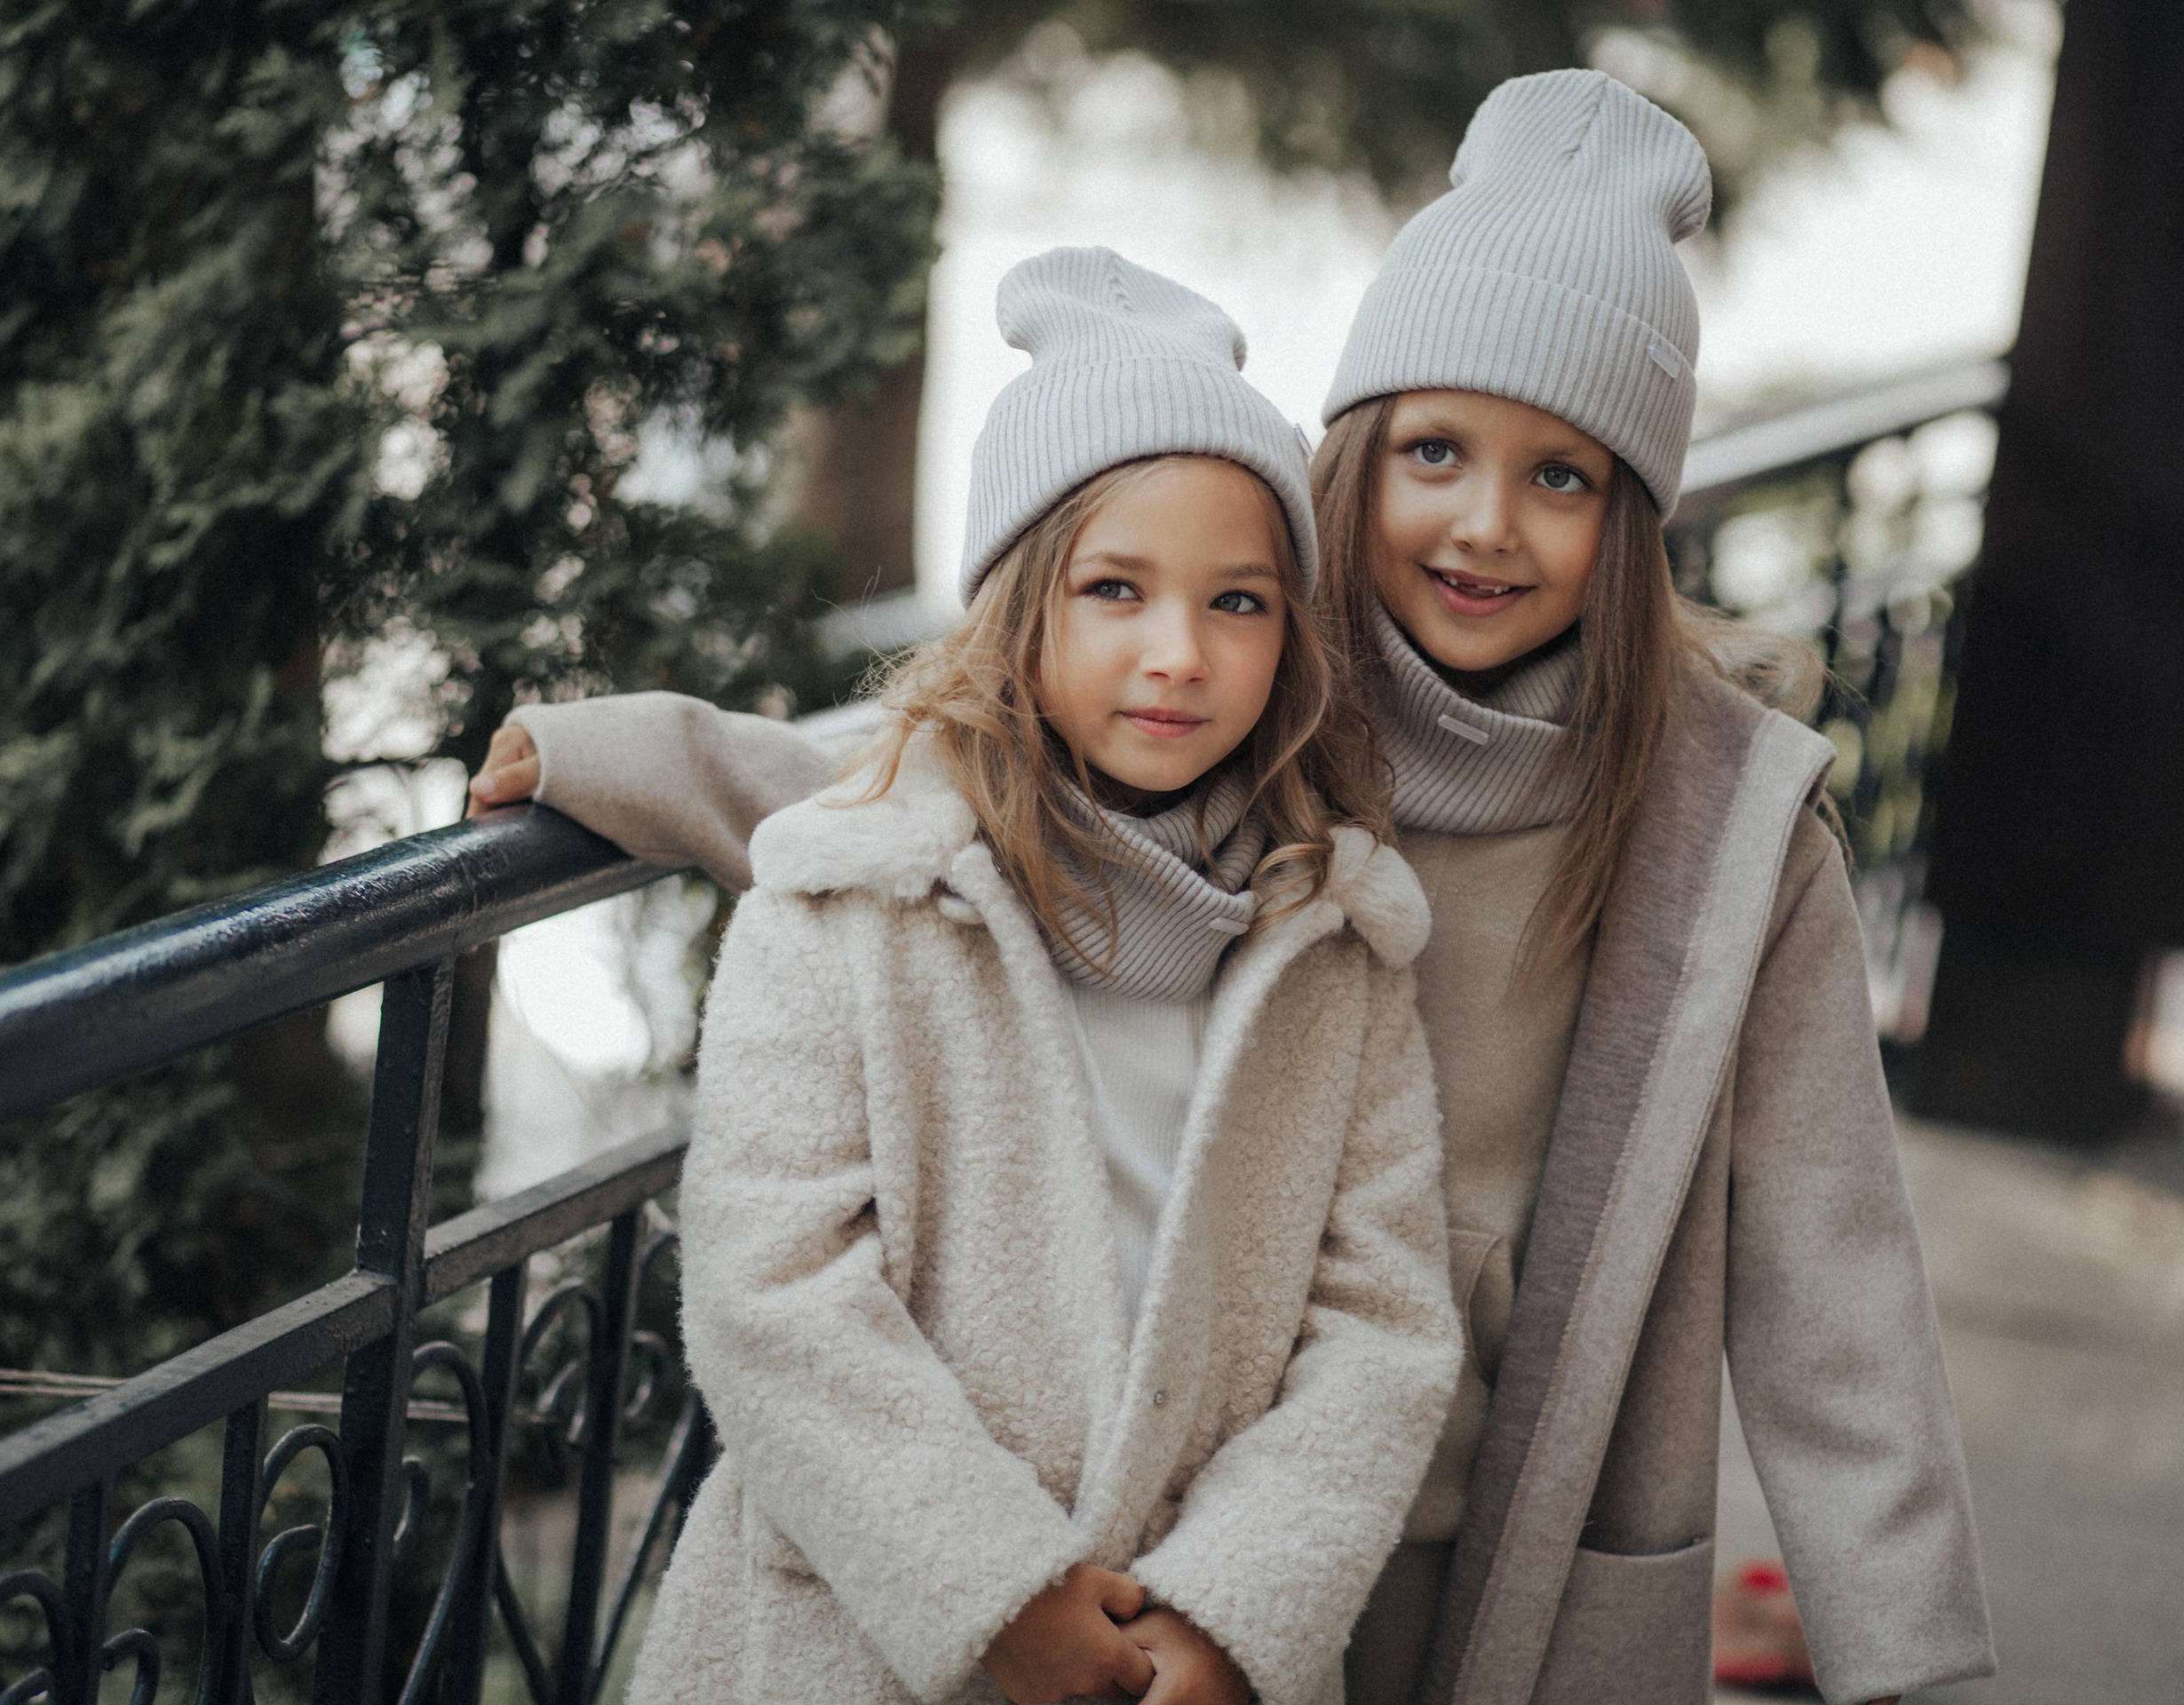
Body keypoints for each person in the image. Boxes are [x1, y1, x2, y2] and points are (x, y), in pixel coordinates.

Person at [480, 74, 1994, 1705]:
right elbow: (955, 765)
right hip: (1224, 1536)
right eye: (1433, 449)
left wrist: (1915, 1667)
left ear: (1634, 512)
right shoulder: (1266, 675)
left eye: (1563, 476)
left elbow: (1839, 1297)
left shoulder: (1725, 825)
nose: (1485, 524)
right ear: (1357, 453)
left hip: (1522, 1537)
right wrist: (642, 759)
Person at [622, 247, 1461, 1705]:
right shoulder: (853, 900)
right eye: (1115, 589)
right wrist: (997, 1592)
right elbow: (773, 1289)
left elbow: (1381, 1326)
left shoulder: (1335, 943)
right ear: (1021, 607)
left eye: (1240, 603)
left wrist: (1234, 1608)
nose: (1178, 654)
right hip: (869, 1643)